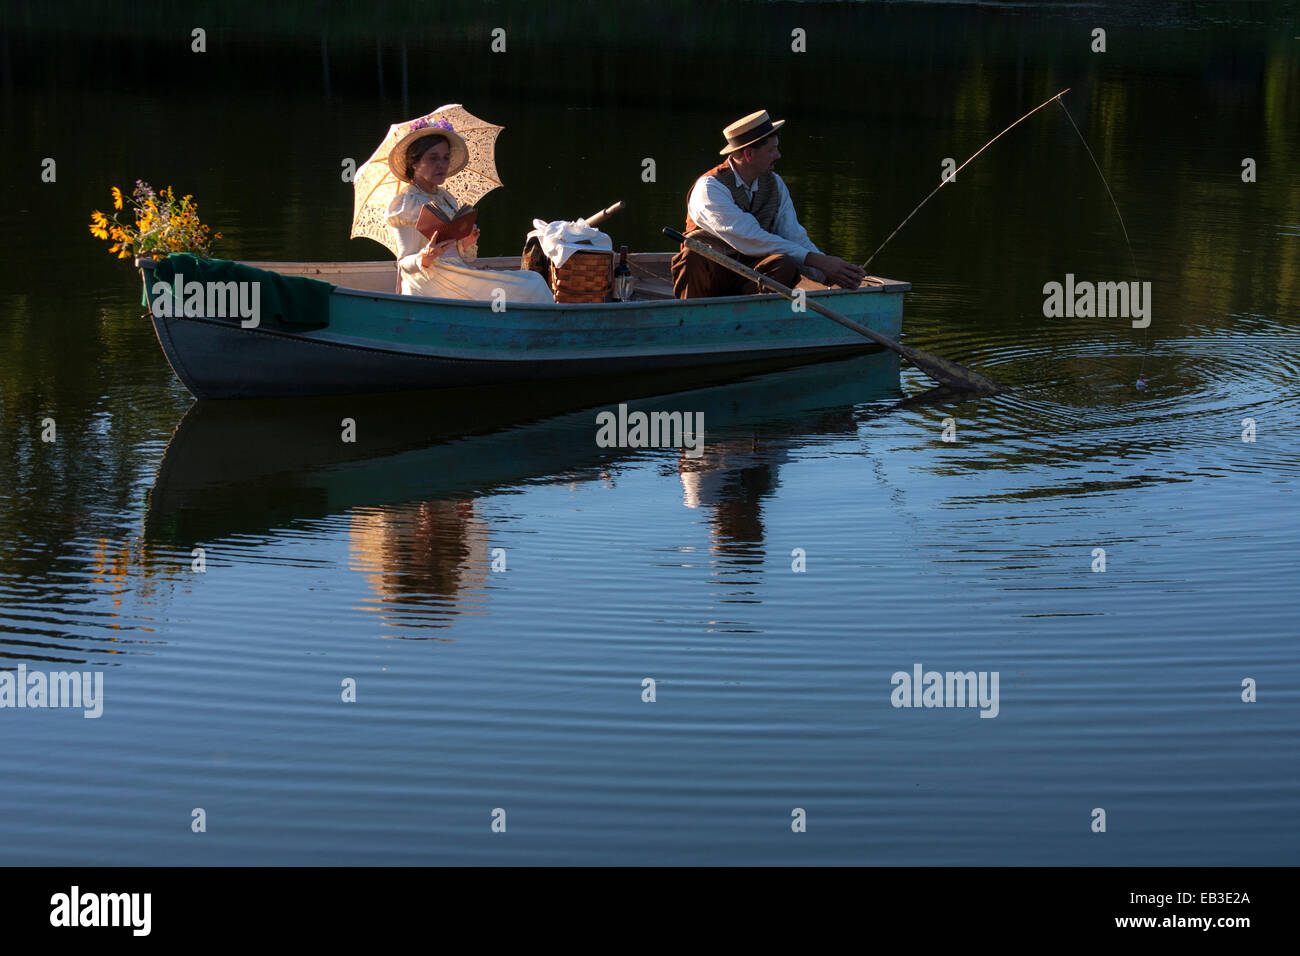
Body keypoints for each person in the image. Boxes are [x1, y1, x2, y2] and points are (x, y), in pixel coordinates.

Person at [671, 110, 866, 299]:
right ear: (749, 154)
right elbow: (749, 237)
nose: (778, 155)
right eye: (771, 150)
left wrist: (829, 273)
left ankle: (754, 315)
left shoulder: (775, 185)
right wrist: (818, 261)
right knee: (692, 255)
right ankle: (692, 315)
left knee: (784, 264)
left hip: (748, 278)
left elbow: (793, 235)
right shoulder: (710, 188)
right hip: (709, 278)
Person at [386, 122, 553, 303]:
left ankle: (536, 326)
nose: (442, 165)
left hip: (456, 273)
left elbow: (461, 256)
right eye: (433, 158)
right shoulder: (407, 203)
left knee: (533, 279)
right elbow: (404, 263)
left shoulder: (446, 198)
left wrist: (465, 243)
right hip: (432, 279)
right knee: (531, 286)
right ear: (414, 163)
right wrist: (425, 256)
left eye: (445, 157)